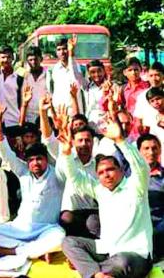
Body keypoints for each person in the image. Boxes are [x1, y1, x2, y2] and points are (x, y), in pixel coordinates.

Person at [60, 116, 153, 278]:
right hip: (107, 249)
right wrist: (67, 153)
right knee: (68, 242)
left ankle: (89, 267)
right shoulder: (100, 190)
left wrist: (120, 140)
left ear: (121, 171)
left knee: (123, 262)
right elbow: (75, 177)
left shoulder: (136, 187)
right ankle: (97, 274)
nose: (106, 175)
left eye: (110, 169)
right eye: (101, 173)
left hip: (133, 255)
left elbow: (142, 167)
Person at [0, 98, 66, 262]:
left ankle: (9, 251)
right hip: (19, 227)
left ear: (46, 159)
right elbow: (6, 154)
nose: (35, 163)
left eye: (39, 159)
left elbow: (50, 142)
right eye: (31, 160)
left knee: (60, 238)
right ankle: (30, 250)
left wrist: (43, 112)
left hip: (46, 229)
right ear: (27, 162)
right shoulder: (23, 172)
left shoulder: (58, 174)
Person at [137, 134, 164, 260]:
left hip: (158, 225)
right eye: (146, 148)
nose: (151, 152)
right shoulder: (127, 174)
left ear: (160, 150)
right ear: (138, 151)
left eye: (154, 148)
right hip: (135, 224)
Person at [46, 36, 85, 112]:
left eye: (64, 49)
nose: (62, 52)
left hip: (76, 112)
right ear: (56, 52)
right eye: (59, 49)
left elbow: (85, 90)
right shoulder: (51, 70)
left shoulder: (81, 69)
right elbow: (50, 92)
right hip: (59, 112)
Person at [0, 45, 24, 131]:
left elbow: (22, 103)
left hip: (14, 122)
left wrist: (21, 124)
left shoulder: (19, 79)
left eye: (8, 57)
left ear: (12, 58)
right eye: (3, 57)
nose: (6, 60)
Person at [21, 46, 48, 123]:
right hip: (28, 118)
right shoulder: (23, 76)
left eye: (36, 59)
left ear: (41, 59)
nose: (33, 62)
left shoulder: (49, 75)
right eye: (30, 60)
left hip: (45, 117)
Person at [84, 60, 108, 131]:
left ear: (104, 71)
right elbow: (75, 74)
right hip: (91, 125)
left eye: (99, 71)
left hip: (106, 125)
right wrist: (71, 54)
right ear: (89, 73)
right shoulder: (87, 87)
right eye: (93, 72)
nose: (97, 74)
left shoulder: (112, 86)